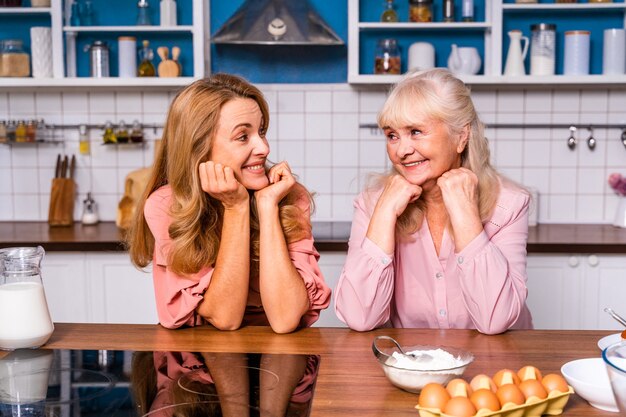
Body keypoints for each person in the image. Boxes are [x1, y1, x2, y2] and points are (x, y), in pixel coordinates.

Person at [334, 69, 533, 334]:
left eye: (416, 132)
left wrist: (465, 211)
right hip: (413, 367)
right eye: (392, 135)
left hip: (494, 368)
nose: (401, 151)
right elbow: (359, 317)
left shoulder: (508, 204)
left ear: (461, 136)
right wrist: (384, 213)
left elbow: (494, 320)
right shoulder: (372, 204)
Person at [128, 73, 331, 334]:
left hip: (280, 356)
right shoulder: (166, 205)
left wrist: (267, 206)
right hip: (201, 360)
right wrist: (236, 207)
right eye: (243, 137)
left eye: (261, 131)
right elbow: (225, 318)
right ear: (199, 147)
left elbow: (285, 318)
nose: (264, 148)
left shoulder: (288, 196)